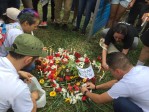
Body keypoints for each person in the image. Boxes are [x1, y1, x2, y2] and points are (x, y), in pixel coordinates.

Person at [81, 52, 149, 112]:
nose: (111, 74)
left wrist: (85, 92)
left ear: (117, 71)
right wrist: (96, 87)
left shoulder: (125, 85)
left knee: (120, 103)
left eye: (111, 71)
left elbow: (99, 99)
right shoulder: (141, 68)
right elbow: (117, 81)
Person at [0, 33, 47, 112]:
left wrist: (18, 72)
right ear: (28, 60)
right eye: (34, 60)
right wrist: (32, 97)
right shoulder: (18, 88)